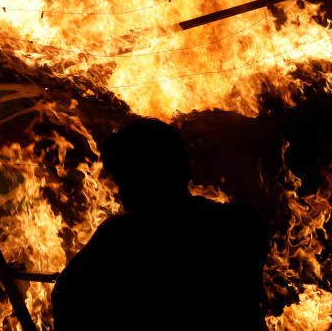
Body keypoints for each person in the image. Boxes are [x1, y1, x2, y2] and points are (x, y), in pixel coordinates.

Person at [51, 119, 268, 330]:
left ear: (142, 178)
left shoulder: (121, 236)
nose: (120, 193)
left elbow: (67, 297)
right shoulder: (242, 223)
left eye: (123, 180)